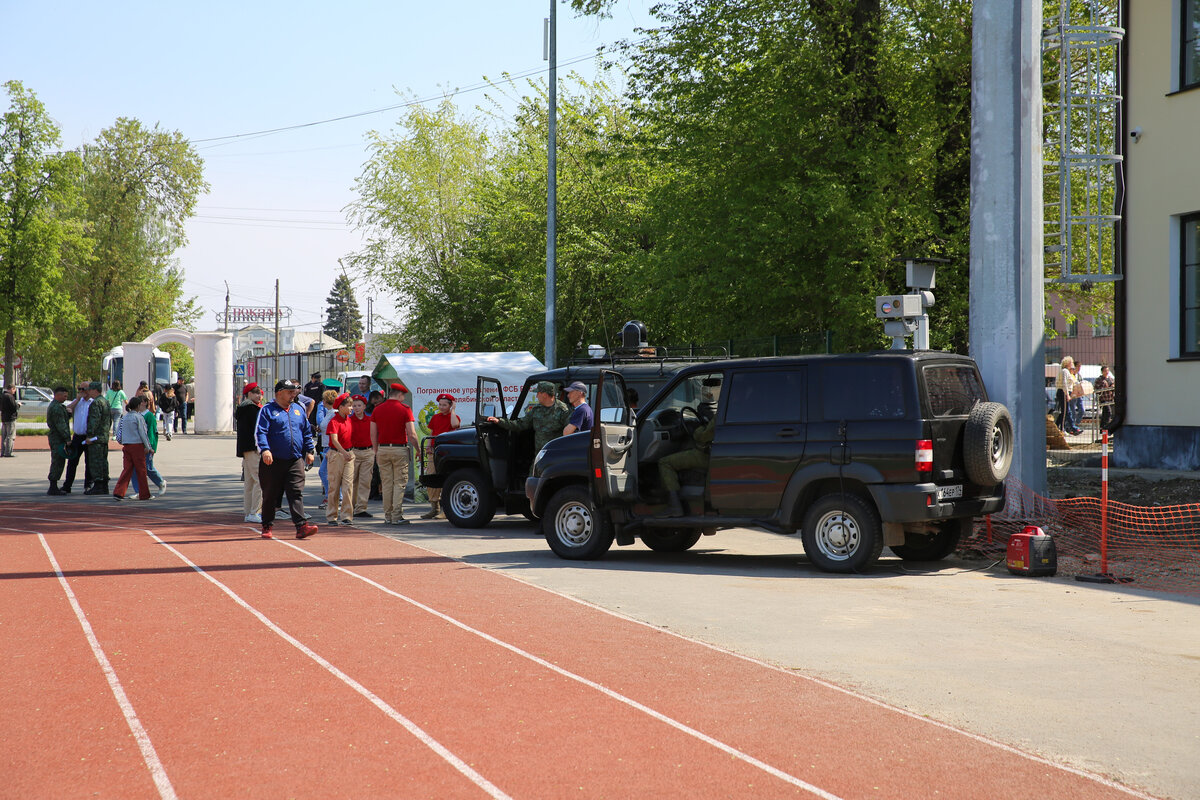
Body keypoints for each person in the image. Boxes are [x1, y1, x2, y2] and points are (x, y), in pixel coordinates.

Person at [254, 379, 318, 540]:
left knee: (295, 492)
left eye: (294, 391)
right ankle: (267, 525)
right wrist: (265, 450)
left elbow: (306, 432)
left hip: (295, 459)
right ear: (279, 393)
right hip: (272, 460)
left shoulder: (298, 409)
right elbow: (260, 432)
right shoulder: (267, 410)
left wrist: (309, 450)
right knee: (270, 495)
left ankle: (301, 527)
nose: (293, 394)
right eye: (289, 392)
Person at [658, 377, 721, 517]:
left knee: (665, 463)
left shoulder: (720, 414)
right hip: (715, 454)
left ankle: (675, 507)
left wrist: (696, 431)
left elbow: (703, 437)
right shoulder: (728, 410)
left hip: (706, 455)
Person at [485, 381, 570, 463]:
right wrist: (499, 421)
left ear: (544, 394)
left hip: (555, 457)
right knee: (531, 477)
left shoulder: (563, 411)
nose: (536, 396)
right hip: (540, 456)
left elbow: (570, 433)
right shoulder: (536, 410)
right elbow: (520, 424)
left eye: (538, 393)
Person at [372, 382, 420, 524]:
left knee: (386, 483)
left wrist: (376, 450)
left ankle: (388, 516)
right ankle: (397, 516)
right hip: (399, 449)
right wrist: (417, 449)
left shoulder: (378, 410)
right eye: (403, 396)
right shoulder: (405, 409)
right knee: (399, 483)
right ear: (399, 395)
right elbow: (411, 434)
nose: (403, 399)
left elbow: (373, 433)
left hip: (382, 449)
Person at [420, 392, 460, 520]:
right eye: (440, 405)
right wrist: (428, 446)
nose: (441, 407)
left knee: (445, 480)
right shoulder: (435, 417)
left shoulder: (454, 416)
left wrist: (453, 410)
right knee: (432, 478)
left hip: (447, 454)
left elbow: (455, 425)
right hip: (434, 452)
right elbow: (432, 432)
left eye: (445, 405)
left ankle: (445, 510)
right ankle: (434, 508)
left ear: (450, 405)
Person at [111, 395, 153, 501]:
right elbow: (143, 433)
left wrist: (122, 442)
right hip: (137, 446)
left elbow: (119, 433)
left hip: (127, 446)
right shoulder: (139, 417)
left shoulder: (124, 417)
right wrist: (148, 446)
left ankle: (119, 492)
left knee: (127, 469)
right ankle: (144, 494)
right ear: (138, 405)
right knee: (141, 470)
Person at [323, 393, 356, 526]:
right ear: (341, 407)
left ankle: (347, 515)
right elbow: (334, 440)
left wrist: (350, 453)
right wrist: (344, 452)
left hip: (349, 454)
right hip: (337, 454)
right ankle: (332, 515)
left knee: (348, 486)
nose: (351, 408)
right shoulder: (334, 421)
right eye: (349, 406)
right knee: (334, 486)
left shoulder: (349, 420)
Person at [235, 383, 265, 523]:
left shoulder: (243, 408)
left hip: (246, 449)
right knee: (261, 480)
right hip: (254, 449)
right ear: (249, 394)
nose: (259, 395)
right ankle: (255, 511)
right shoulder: (252, 409)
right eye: (256, 393)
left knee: (250, 482)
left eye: (260, 393)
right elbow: (258, 431)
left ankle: (248, 512)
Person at [129, 392, 166, 498]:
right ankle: (138, 491)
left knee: (148, 468)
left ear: (145, 403)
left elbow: (152, 433)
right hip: (137, 445)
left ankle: (160, 482)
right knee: (135, 469)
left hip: (146, 447)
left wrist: (150, 447)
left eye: (140, 403)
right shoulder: (136, 415)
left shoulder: (149, 416)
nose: (138, 405)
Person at [61, 383, 93, 493]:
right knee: (72, 462)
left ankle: (88, 485)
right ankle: (67, 486)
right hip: (77, 436)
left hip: (88, 436)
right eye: (79, 389)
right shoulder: (77, 401)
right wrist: (77, 400)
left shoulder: (93, 402)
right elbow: (67, 409)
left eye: (83, 389)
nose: (80, 391)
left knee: (89, 462)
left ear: (89, 390)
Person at [348, 395, 375, 517]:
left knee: (365, 481)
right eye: (354, 406)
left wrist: (374, 450)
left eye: (359, 405)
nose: (357, 408)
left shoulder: (370, 421)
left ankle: (361, 508)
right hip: (353, 452)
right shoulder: (349, 420)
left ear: (364, 406)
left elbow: (375, 435)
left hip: (368, 452)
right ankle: (350, 507)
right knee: (352, 481)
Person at [83, 382, 112, 495]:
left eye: (90, 390)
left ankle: (98, 485)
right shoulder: (105, 401)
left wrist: (89, 436)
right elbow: (109, 421)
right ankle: (104, 486)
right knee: (103, 461)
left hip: (96, 438)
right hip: (103, 436)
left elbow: (93, 421)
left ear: (95, 390)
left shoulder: (96, 403)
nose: (88, 392)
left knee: (95, 462)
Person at [46, 387, 72, 494]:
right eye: (64, 396)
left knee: (58, 460)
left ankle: (54, 485)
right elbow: (61, 425)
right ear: (57, 395)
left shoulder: (57, 406)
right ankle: (53, 487)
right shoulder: (57, 408)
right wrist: (68, 439)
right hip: (58, 438)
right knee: (58, 461)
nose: (66, 398)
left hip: (56, 437)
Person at [315, 388, 337, 508]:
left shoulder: (333, 413)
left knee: (324, 472)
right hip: (326, 445)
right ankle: (333, 497)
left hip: (330, 446)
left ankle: (333, 497)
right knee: (329, 473)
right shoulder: (329, 413)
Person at [1055, 356, 1082, 435]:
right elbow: (1064, 384)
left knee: (1065, 411)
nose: (1073, 364)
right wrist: (1067, 394)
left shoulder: (1067, 372)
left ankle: (1058, 427)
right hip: (1063, 392)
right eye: (1071, 362)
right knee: (1066, 412)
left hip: (1065, 392)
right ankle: (1070, 428)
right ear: (1067, 363)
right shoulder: (1065, 371)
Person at [0, 385, 19, 458]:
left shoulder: (2, 396)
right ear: (11, 389)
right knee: (10, 436)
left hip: (4, 418)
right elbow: (14, 407)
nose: (14, 392)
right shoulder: (10, 397)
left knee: (4, 436)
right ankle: (8, 452)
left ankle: (3, 452)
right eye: (14, 390)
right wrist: (18, 405)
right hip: (11, 419)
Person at [1095, 365, 1116, 430]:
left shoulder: (1110, 379)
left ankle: (1102, 427)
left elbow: (1114, 386)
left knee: (1105, 413)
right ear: (1102, 372)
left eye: (1107, 371)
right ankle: (1106, 426)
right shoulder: (1099, 379)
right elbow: (1097, 388)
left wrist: (1113, 386)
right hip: (1103, 398)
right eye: (1105, 371)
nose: (1106, 372)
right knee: (1108, 412)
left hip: (1110, 398)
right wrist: (1105, 388)